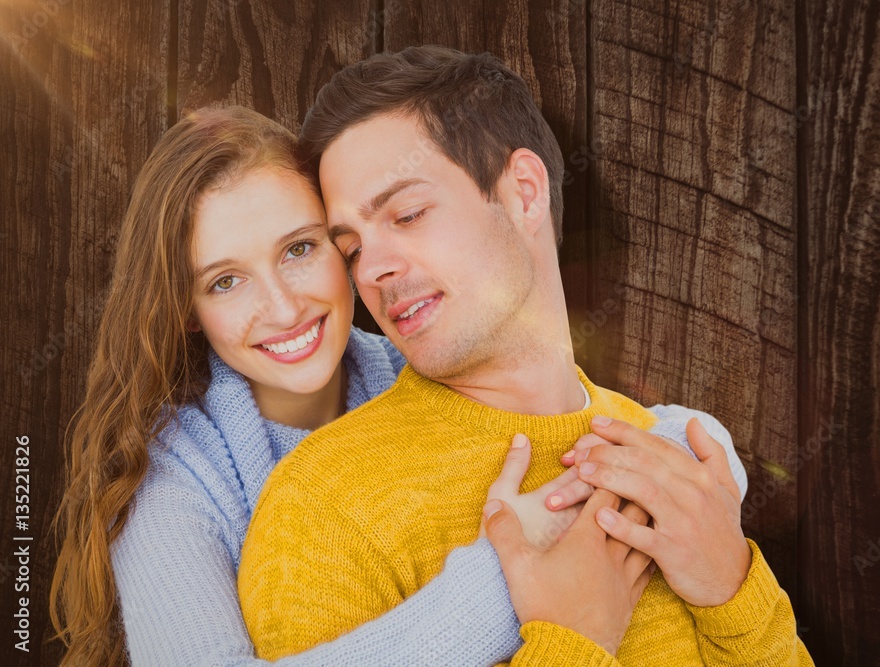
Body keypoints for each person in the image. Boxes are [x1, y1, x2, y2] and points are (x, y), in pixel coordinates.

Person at [48, 105, 738, 666]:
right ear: (186, 311)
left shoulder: (416, 371)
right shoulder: (172, 478)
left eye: (300, 249)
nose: (283, 308)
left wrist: (697, 452)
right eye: (225, 281)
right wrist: (510, 580)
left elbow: (580, 414)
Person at [238, 46, 810, 665]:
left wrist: (732, 588)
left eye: (407, 213)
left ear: (525, 192)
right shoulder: (325, 510)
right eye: (350, 249)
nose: (373, 270)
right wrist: (572, 644)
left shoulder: (666, 460)